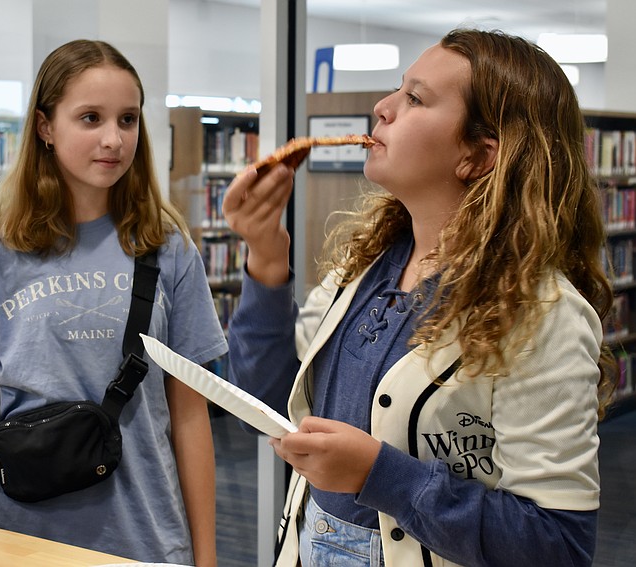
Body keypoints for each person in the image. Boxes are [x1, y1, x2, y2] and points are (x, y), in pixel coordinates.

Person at [223, 28, 615, 567]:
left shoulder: (543, 316)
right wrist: (266, 259)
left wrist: (378, 476)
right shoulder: (360, 270)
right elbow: (262, 408)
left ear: (478, 155)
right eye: (396, 91)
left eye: (415, 98)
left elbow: (557, 546)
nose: (382, 108)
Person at [0, 39, 225, 566]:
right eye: (90, 118)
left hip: (146, 542)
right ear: (46, 127)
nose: (114, 139)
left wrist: (205, 559)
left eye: (128, 119)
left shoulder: (167, 246)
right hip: (19, 540)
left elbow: (189, 417)